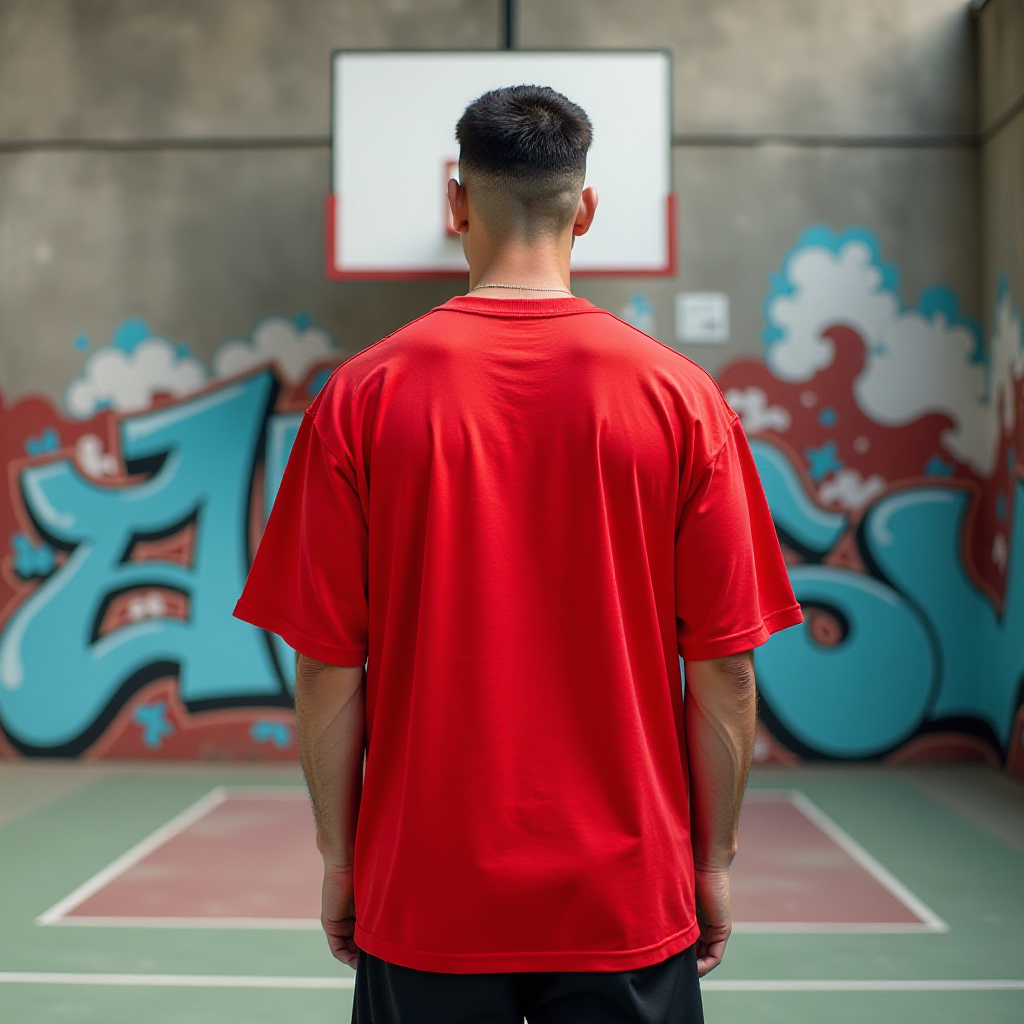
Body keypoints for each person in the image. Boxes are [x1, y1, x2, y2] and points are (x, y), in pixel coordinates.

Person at [234, 84, 802, 1024]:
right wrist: (711, 862)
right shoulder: (682, 400)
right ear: (585, 211)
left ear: (456, 202)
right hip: (627, 895)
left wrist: (342, 859)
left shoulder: (361, 398)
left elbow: (330, 667)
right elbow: (725, 669)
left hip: (425, 893)